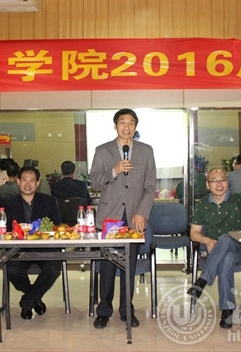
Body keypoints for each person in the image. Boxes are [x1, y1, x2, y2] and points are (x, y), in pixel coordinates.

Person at [90, 108, 156, 329]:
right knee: (108, 265)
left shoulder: (146, 151)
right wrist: (114, 170)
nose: (126, 127)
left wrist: (142, 213)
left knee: (130, 264)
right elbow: (95, 182)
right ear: (115, 125)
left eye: (131, 123)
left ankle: (127, 310)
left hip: (134, 217)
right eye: (122, 122)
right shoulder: (103, 150)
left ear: (135, 127)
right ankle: (104, 311)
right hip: (110, 217)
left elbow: (150, 187)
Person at [186, 168, 241, 328]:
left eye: (223, 180)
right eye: (214, 181)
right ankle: (227, 311)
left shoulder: (237, 198)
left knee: (226, 237)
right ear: (207, 185)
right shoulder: (202, 204)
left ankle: (203, 280)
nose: (219, 184)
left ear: (227, 182)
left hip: (240, 248)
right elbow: (193, 234)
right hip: (216, 251)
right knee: (226, 259)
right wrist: (207, 240)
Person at [0, 166, 62, 320]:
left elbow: (56, 226)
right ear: (18, 182)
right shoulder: (8, 203)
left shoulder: (49, 201)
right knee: (12, 270)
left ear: (38, 183)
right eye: (24, 180)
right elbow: (4, 231)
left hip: (44, 249)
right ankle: (35, 299)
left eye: (32, 181)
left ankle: (27, 302)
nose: (28, 184)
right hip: (17, 250)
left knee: (53, 269)